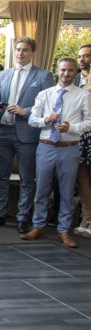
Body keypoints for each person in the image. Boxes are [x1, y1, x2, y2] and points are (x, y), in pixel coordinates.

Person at [0, 37, 54, 235]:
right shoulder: (4, 74)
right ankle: (0, 213)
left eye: (25, 50)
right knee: (1, 176)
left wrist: (25, 111)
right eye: (18, 49)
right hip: (2, 131)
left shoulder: (43, 76)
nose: (20, 53)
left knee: (27, 178)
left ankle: (23, 217)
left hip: (27, 132)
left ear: (32, 52)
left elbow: (47, 105)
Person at [21, 57, 90, 248]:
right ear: (57, 71)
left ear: (75, 72)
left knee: (66, 191)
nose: (66, 73)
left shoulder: (83, 95)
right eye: (63, 70)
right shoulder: (45, 94)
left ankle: (63, 231)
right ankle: (38, 226)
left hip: (69, 147)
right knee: (41, 188)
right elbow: (32, 119)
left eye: (70, 70)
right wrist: (45, 120)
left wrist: (71, 127)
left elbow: (89, 122)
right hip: (46, 146)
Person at [74, 45, 91, 237]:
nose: (82, 59)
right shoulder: (75, 78)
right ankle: (86, 217)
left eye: (86, 56)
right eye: (79, 56)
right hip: (79, 133)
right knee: (82, 177)